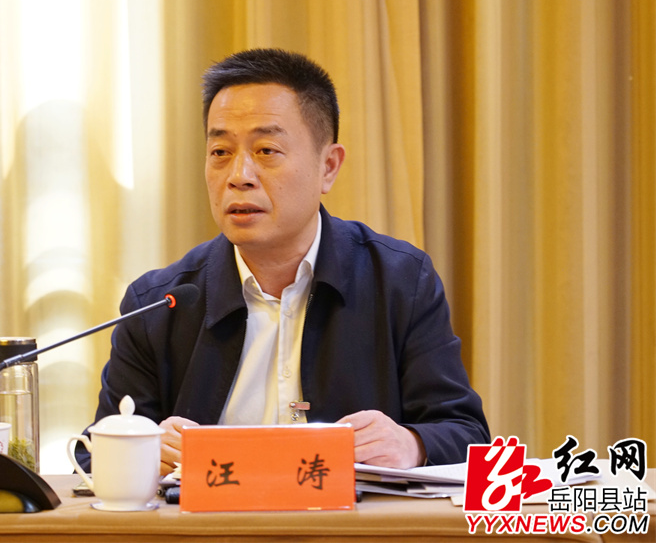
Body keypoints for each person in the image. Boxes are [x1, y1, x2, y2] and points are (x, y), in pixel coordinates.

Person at [78, 48, 489, 475]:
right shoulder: (159, 304)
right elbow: (90, 457)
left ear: (328, 167)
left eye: (266, 150)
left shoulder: (400, 281)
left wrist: (412, 444)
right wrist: (141, 451)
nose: (239, 176)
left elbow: (467, 434)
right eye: (220, 152)